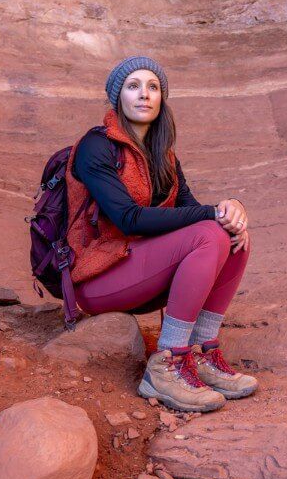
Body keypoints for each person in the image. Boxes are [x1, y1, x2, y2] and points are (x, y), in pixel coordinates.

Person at [64, 55, 257, 412]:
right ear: (117, 96)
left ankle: (199, 352)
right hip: (98, 277)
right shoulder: (97, 146)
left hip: (140, 271)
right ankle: (166, 364)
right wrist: (212, 213)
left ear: (161, 98)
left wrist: (230, 210)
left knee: (231, 239)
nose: (144, 95)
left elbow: (196, 214)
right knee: (209, 232)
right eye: (133, 86)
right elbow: (128, 219)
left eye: (153, 87)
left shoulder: (164, 156)